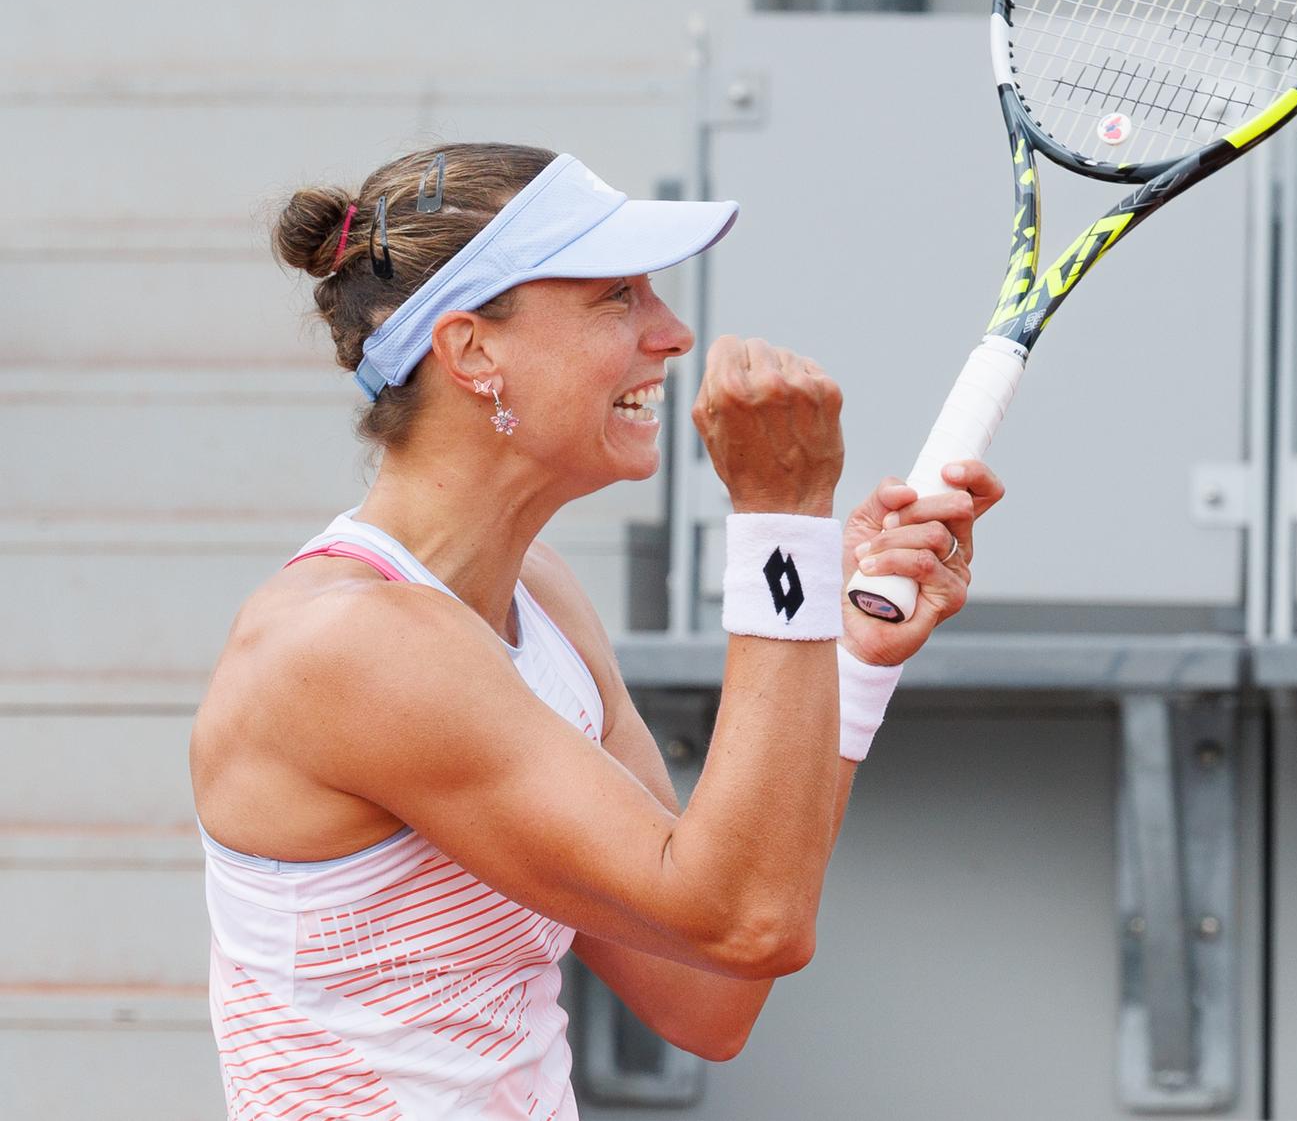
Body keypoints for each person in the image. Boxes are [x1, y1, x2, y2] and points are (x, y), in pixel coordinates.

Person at [189, 144, 1002, 1120]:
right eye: (618, 296)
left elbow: (709, 991)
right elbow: (748, 922)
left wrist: (852, 658)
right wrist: (782, 521)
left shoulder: (539, 597)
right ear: (471, 351)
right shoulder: (351, 646)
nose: (673, 334)